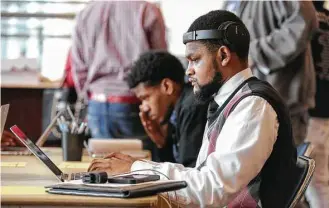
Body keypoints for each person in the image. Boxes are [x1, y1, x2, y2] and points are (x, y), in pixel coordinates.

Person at [88, 10, 298, 207]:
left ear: (223, 56)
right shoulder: (229, 100)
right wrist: (140, 167)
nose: (188, 71)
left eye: (195, 60)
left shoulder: (253, 105)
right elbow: (201, 175)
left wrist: (136, 169)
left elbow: (211, 189)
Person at [223, 1, 318, 145]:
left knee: (280, 165)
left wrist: (254, 53)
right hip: (243, 105)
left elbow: (304, 21)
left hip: (281, 106)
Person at [71, 1, 167, 142]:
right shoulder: (147, 10)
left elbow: (79, 67)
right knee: (139, 161)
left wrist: (88, 97)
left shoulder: (85, 13)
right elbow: (161, 62)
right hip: (135, 102)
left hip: (97, 103)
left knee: (103, 162)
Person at [126, 51, 208, 167]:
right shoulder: (173, 114)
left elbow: (189, 172)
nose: (144, 108)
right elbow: (175, 170)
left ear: (167, 86)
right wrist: (161, 143)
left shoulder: (191, 108)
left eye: (146, 98)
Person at [305, 1, 329, 208]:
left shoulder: (304, 18)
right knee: (320, 182)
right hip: (325, 111)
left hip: (307, 113)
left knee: (300, 181)